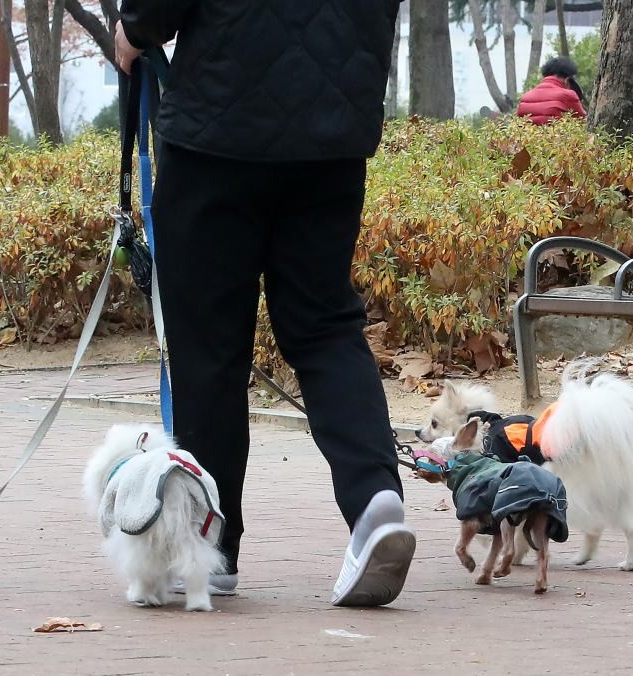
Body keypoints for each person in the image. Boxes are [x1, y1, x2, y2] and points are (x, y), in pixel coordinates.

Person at [116, 1, 415, 607]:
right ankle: (373, 502)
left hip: (219, 125)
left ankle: (212, 542)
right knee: (326, 324)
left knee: (208, 343)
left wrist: (136, 26)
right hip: (333, 130)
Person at [517, 57, 587, 125]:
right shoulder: (568, 95)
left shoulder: (525, 97)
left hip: (529, 136)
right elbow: (583, 122)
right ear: (567, 79)